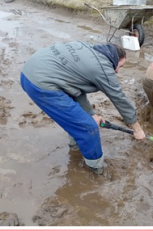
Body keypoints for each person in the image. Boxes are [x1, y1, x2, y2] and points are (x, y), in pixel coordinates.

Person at [20, 42, 145, 175]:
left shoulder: (87, 50)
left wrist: (92, 114)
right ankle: (96, 169)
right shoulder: (103, 69)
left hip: (28, 74)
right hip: (41, 85)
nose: (117, 71)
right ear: (113, 59)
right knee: (88, 127)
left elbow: (75, 90)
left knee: (77, 118)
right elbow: (119, 98)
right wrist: (137, 129)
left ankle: (75, 148)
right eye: (120, 66)